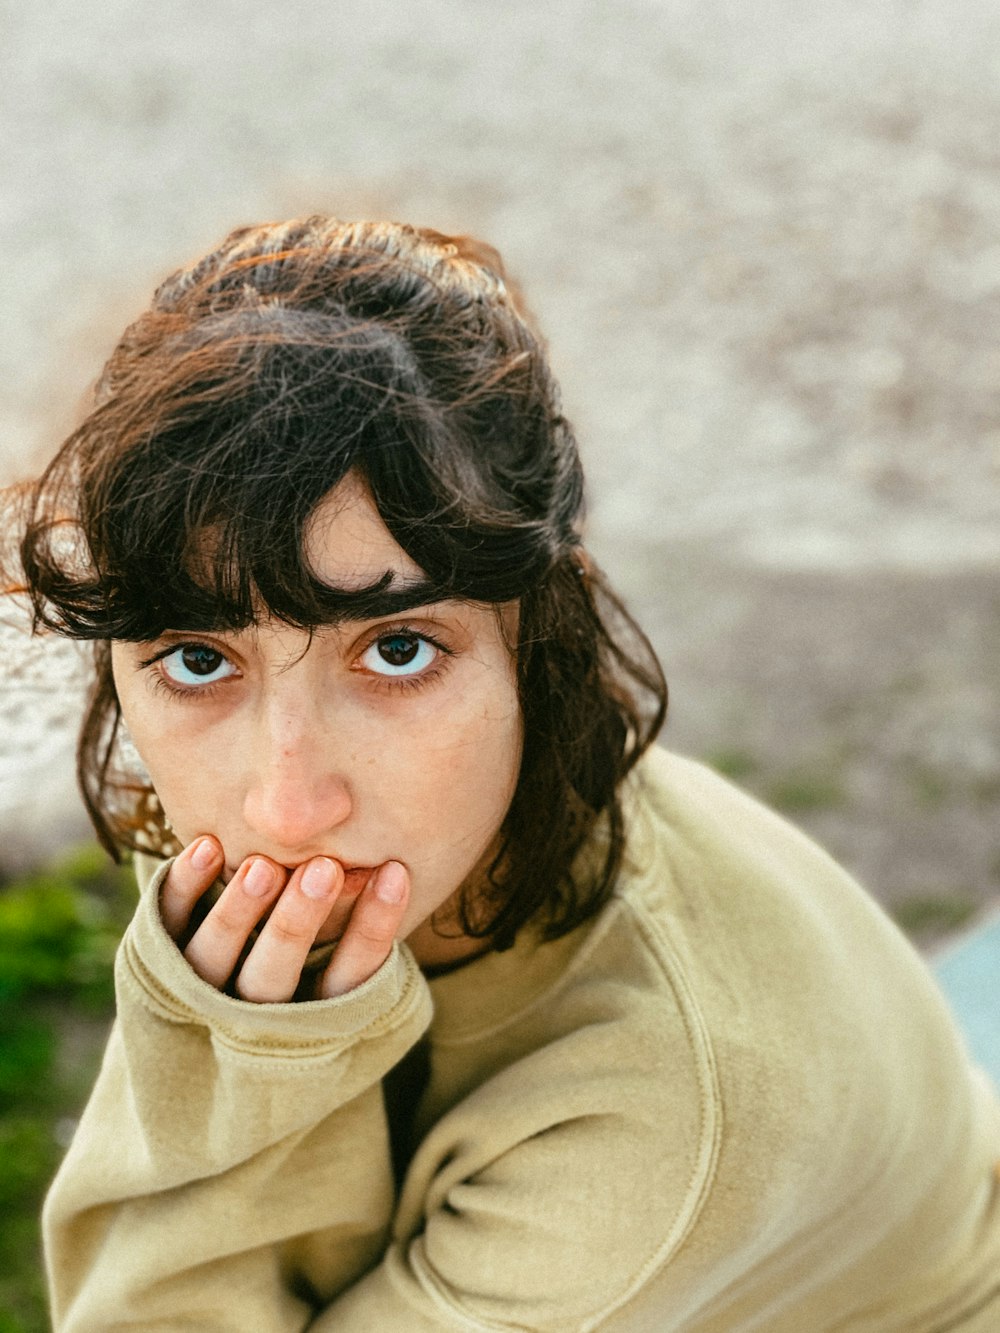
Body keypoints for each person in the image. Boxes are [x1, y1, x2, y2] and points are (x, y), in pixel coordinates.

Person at [13, 216, 1000, 1330]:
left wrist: (224, 1054)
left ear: (538, 638)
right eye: (200, 659)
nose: (286, 804)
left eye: (395, 650)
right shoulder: (360, 813)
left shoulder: (653, 1116)